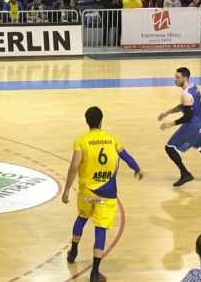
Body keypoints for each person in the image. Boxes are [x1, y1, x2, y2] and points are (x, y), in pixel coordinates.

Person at [63, 106, 143, 282]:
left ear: (87, 121)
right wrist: (136, 168)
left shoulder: (81, 141)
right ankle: (94, 273)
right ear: (101, 121)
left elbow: (74, 166)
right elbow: (126, 156)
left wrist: (67, 189)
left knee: (81, 218)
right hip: (107, 194)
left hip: (87, 193)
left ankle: (73, 251)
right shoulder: (111, 139)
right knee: (100, 231)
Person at [158, 67, 201, 186]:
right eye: (175, 76)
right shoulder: (193, 87)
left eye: (177, 77)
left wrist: (170, 124)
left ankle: (185, 173)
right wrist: (167, 112)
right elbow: (184, 106)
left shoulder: (186, 95)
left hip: (193, 125)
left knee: (170, 148)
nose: (175, 79)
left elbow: (187, 116)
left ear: (185, 78)